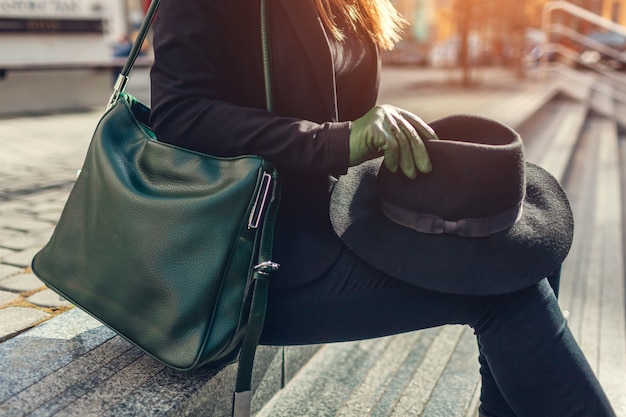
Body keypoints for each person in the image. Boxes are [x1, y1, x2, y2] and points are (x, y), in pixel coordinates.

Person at [148, 1, 617, 416]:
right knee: (506, 291)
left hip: (318, 215)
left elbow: (342, 115)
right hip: (241, 255)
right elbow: (179, 114)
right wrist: (335, 139)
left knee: (523, 246)